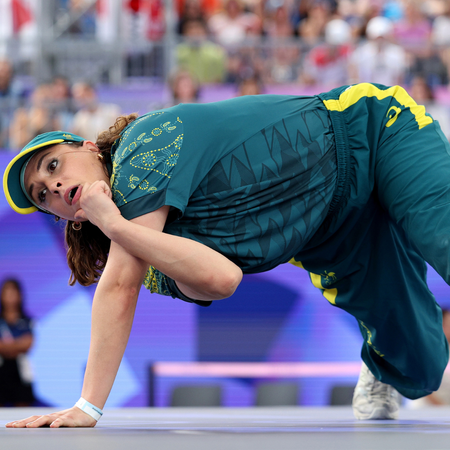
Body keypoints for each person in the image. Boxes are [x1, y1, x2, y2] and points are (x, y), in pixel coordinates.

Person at [3, 82, 450, 427]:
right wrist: (119, 229)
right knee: (421, 365)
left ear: (89, 147)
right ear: (69, 219)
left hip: (370, 132)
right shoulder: (145, 249)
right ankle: (382, 361)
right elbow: (221, 280)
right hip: (332, 235)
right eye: (43, 195)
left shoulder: (144, 143)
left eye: (54, 165)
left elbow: (119, 285)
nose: (54, 187)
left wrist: (87, 407)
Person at [0, 279, 35, 407]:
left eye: (13, 293)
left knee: (23, 412)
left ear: (20, 295)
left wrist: (5, 346)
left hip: (20, 372)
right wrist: (17, 345)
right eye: (7, 293)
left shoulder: (27, 320)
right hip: (1, 369)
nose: (10, 297)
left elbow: (28, 344)